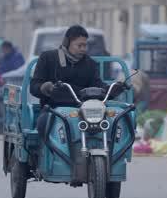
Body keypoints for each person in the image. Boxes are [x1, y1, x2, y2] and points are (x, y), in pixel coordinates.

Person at [29, 26, 125, 167]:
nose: (83, 49)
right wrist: (46, 87)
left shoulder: (90, 64)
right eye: (79, 45)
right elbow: (34, 86)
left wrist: (114, 89)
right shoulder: (48, 58)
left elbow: (98, 86)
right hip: (53, 109)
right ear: (67, 43)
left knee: (112, 124)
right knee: (43, 124)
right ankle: (47, 159)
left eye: (85, 45)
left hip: (84, 110)